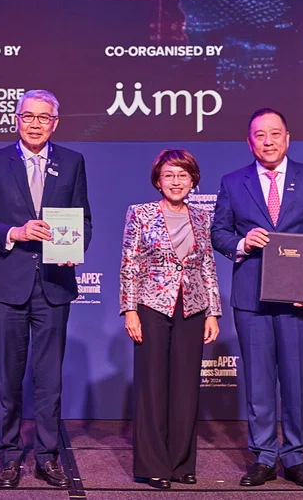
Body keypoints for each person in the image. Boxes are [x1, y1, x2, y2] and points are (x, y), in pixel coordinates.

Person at [210, 108, 303, 489]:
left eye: (274, 134)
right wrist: (241, 242)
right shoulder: (233, 182)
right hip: (251, 297)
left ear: (288, 137)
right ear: (248, 141)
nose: (267, 141)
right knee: (259, 380)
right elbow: (219, 232)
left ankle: (296, 456)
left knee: (296, 378)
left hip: (298, 296)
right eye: (259, 135)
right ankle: (265, 455)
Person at [0, 89, 92, 489]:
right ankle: (8, 457)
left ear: (55, 123)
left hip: (54, 285)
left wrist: (76, 249)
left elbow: (83, 219)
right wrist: (14, 232)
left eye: (44, 117)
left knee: (49, 377)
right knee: (8, 376)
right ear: (16, 120)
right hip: (8, 284)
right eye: (29, 116)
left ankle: (47, 456)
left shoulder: (73, 162)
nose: (36, 123)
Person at [120, 149, 221, 490]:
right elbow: (129, 263)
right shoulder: (140, 213)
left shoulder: (203, 217)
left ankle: (181, 464)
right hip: (151, 306)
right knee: (151, 386)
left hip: (192, 307)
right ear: (158, 181)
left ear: (193, 180)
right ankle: (152, 466)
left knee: (185, 388)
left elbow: (208, 265)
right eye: (169, 175)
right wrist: (130, 309)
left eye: (182, 175)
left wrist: (213, 312)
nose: (175, 182)